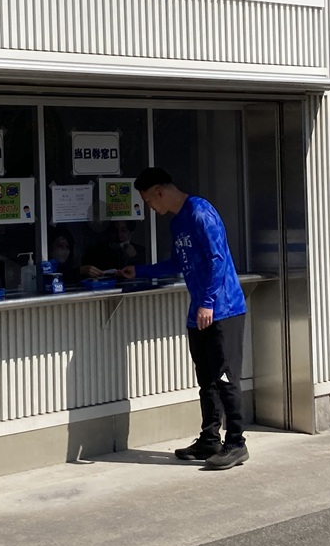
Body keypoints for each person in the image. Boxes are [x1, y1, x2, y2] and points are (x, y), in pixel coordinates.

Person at [121, 167, 248, 471]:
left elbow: (218, 259)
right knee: (206, 379)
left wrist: (207, 303)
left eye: (149, 201)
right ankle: (210, 439)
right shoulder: (177, 222)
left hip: (223, 309)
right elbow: (177, 263)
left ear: (159, 192)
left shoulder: (200, 213)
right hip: (199, 313)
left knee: (225, 377)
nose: (150, 207)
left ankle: (236, 443)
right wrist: (140, 271)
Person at [80, 220, 145, 278]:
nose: (119, 235)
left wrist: (135, 257)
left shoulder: (141, 251)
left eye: (124, 230)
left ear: (131, 232)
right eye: (114, 231)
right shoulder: (94, 252)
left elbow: (144, 272)